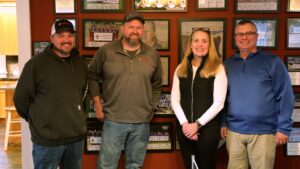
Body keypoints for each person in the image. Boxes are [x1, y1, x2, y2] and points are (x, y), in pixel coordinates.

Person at [87, 11, 162, 169]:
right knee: (106, 165)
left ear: (143, 30)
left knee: (135, 166)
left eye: (139, 27)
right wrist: (98, 106)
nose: (135, 31)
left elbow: (157, 84)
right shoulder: (106, 51)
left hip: (141, 121)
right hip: (113, 120)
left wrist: (152, 108)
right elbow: (91, 76)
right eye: (131, 27)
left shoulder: (152, 54)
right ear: (122, 29)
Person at [13, 19, 87, 169]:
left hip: (75, 137)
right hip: (47, 140)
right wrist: (38, 119)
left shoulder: (80, 63)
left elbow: (83, 94)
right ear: (52, 38)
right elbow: (20, 98)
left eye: (70, 35)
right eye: (60, 36)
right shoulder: (36, 64)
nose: (66, 40)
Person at [220, 20, 295, 169]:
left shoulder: (272, 62)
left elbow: (286, 95)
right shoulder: (228, 64)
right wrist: (223, 122)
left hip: (264, 133)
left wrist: (284, 128)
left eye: (249, 33)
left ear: (257, 36)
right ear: (235, 38)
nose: (244, 37)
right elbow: (223, 97)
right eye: (240, 34)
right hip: (234, 132)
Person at [171, 27, 227, 169]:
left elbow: (219, 103)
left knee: (205, 166)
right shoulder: (181, 68)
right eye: (196, 40)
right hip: (185, 130)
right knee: (191, 166)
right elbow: (175, 100)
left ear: (210, 44)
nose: (200, 44)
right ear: (190, 44)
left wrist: (196, 125)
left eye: (204, 41)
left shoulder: (218, 68)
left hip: (207, 129)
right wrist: (186, 125)